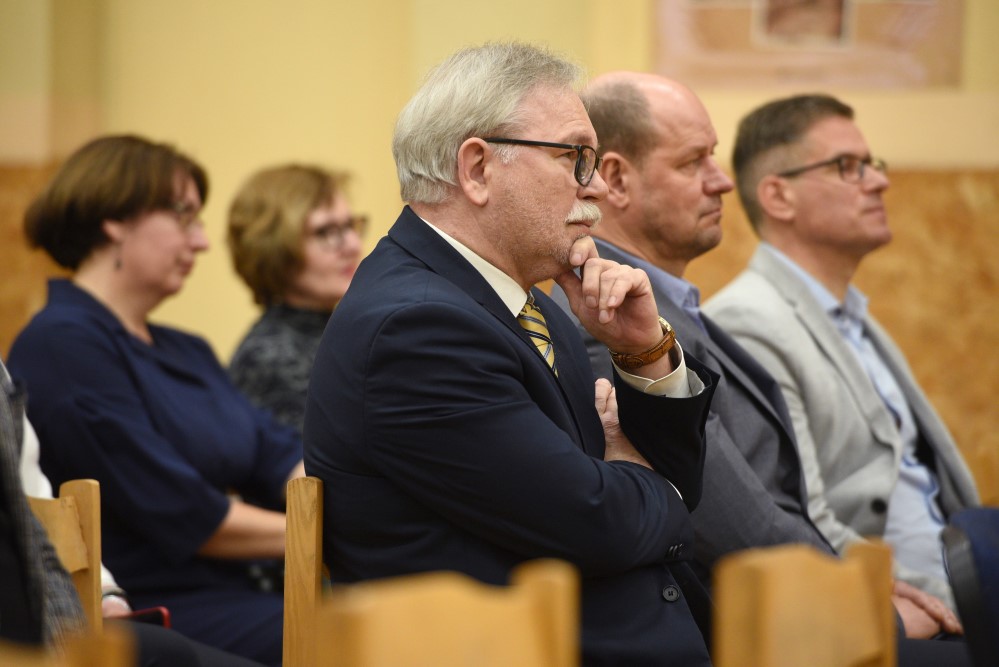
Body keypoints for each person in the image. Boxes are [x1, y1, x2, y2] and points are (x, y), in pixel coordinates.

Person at [304, 43, 720, 667]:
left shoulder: (534, 306)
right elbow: (599, 523)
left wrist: (643, 353)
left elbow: (643, 500)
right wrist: (647, 482)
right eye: (576, 157)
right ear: (477, 169)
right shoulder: (414, 329)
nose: (598, 187)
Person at [549, 72, 970, 661]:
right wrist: (868, 607)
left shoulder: (672, 303)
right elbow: (733, 522)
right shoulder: (611, 317)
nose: (722, 180)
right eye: (694, 162)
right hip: (762, 628)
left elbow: (787, 498)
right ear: (616, 179)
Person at [7, 134, 304, 666]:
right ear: (114, 220)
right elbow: (182, 512)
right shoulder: (61, 343)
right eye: (183, 216)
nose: (202, 241)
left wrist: (357, 503)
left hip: (235, 594)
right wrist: (320, 531)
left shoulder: (186, 349)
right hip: (146, 609)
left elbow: (280, 455)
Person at [703, 94, 979, 609]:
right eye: (847, 167)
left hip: (962, 579)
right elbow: (803, 518)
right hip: (894, 608)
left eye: (872, 164)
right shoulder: (748, 322)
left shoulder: (851, 314)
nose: (878, 182)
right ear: (779, 197)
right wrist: (955, 604)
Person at [2, 360, 265, 667]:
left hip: (80, 610)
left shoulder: (187, 349)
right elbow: (188, 516)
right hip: (172, 585)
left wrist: (106, 593)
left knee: (168, 648)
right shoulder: (66, 353)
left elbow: (34, 508)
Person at [227, 164, 365, 436]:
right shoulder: (267, 357)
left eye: (350, 226)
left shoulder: (343, 332)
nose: (353, 246)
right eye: (326, 232)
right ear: (274, 248)